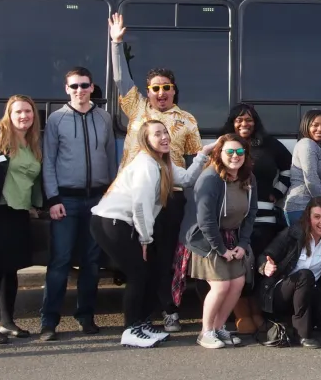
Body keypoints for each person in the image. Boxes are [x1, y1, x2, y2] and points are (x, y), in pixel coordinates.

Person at [109, 13, 203, 334]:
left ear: (175, 91)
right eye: (155, 88)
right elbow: (121, 79)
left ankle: (169, 310)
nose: (161, 93)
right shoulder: (137, 108)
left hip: (169, 197)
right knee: (138, 260)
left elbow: (194, 161)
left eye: (166, 88)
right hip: (133, 197)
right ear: (147, 92)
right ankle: (140, 316)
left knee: (164, 257)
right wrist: (116, 44)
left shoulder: (188, 120)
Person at [90, 120, 212, 348]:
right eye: (157, 134)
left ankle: (142, 323)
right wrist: (145, 239)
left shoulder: (162, 162)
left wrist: (202, 155)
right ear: (146, 140)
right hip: (112, 221)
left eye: (165, 132)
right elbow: (140, 206)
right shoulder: (146, 165)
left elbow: (186, 180)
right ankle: (130, 330)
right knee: (138, 273)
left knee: (150, 273)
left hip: (125, 222)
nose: (164, 137)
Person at [39, 67, 118, 341]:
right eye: (74, 86)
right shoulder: (56, 120)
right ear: (66, 89)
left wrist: (110, 195)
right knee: (60, 261)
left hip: (97, 200)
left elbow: (110, 158)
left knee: (92, 262)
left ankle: (85, 316)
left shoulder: (104, 117)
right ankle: (49, 322)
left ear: (92, 87)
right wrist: (52, 199)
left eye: (84, 85)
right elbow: (48, 161)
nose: (79, 91)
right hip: (66, 201)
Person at [220, 103, 292, 335]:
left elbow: (288, 169)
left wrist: (278, 192)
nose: (244, 124)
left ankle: (262, 313)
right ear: (232, 122)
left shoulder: (269, 144)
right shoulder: (226, 145)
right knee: (239, 268)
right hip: (234, 220)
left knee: (262, 266)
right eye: (239, 120)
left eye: (249, 120)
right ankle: (241, 314)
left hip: (265, 219)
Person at [186, 134, 258, 348]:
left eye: (239, 152)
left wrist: (242, 245)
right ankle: (205, 332)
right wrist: (221, 249)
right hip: (207, 239)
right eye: (230, 152)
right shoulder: (210, 178)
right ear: (219, 154)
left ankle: (219, 328)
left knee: (237, 283)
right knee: (220, 285)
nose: (235, 156)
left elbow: (251, 212)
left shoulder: (248, 178)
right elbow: (206, 220)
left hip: (233, 238)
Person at [257, 197, 321, 349]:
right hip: (281, 291)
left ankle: (290, 322)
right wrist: (265, 266)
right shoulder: (292, 233)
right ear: (308, 218)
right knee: (305, 275)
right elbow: (264, 255)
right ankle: (303, 334)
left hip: (309, 291)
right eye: (317, 217)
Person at [0, 96, 43, 345]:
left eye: (28, 112)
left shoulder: (32, 143)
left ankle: (8, 322)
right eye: (19, 112)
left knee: (12, 268)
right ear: (9, 113)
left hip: (19, 211)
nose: (24, 116)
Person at [284, 109, 321, 227]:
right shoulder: (307, 144)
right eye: (315, 125)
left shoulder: (315, 147)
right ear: (306, 126)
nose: (320, 129)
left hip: (309, 208)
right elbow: (311, 178)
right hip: (302, 207)